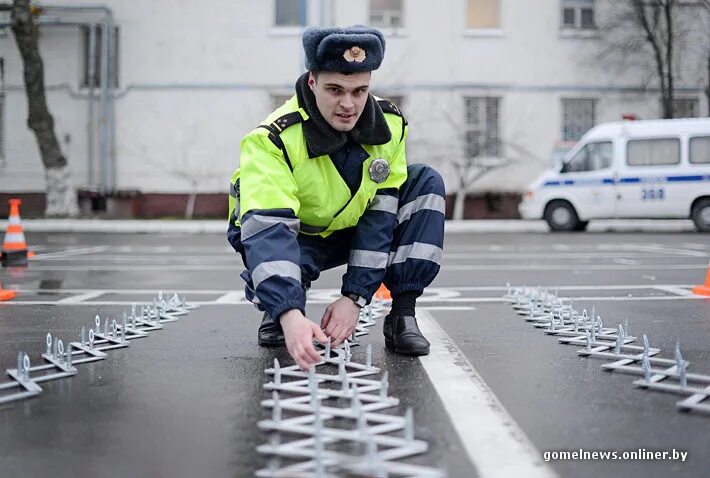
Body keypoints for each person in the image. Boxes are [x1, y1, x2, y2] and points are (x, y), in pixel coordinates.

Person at [228, 26, 445, 371]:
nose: (348, 104)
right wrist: (289, 312)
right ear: (312, 82)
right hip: (293, 234)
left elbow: (380, 216)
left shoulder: (390, 125)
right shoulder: (273, 139)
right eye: (335, 90)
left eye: (360, 91)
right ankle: (278, 308)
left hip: (350, 228)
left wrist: (355, 297)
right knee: (280, 276)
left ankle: (402, 315)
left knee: (424, 182)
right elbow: (268, 228)